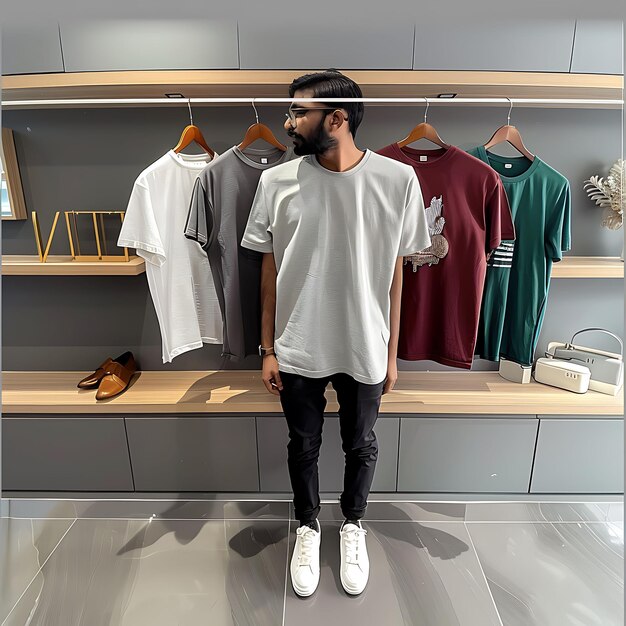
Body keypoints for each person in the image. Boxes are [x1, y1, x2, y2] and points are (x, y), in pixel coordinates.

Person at [241, 70, 430, 597]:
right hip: (298, 343)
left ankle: (352, 525)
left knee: (360, 444)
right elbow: (268, 270)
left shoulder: (397, 181)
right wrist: (268, 348)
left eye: (298, 112)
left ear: (337, 118)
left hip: (365, 342)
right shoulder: (275, 182)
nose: (288, 122)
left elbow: (397, 273)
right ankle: (307, 526)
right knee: (302, 445)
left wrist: (391, 353)